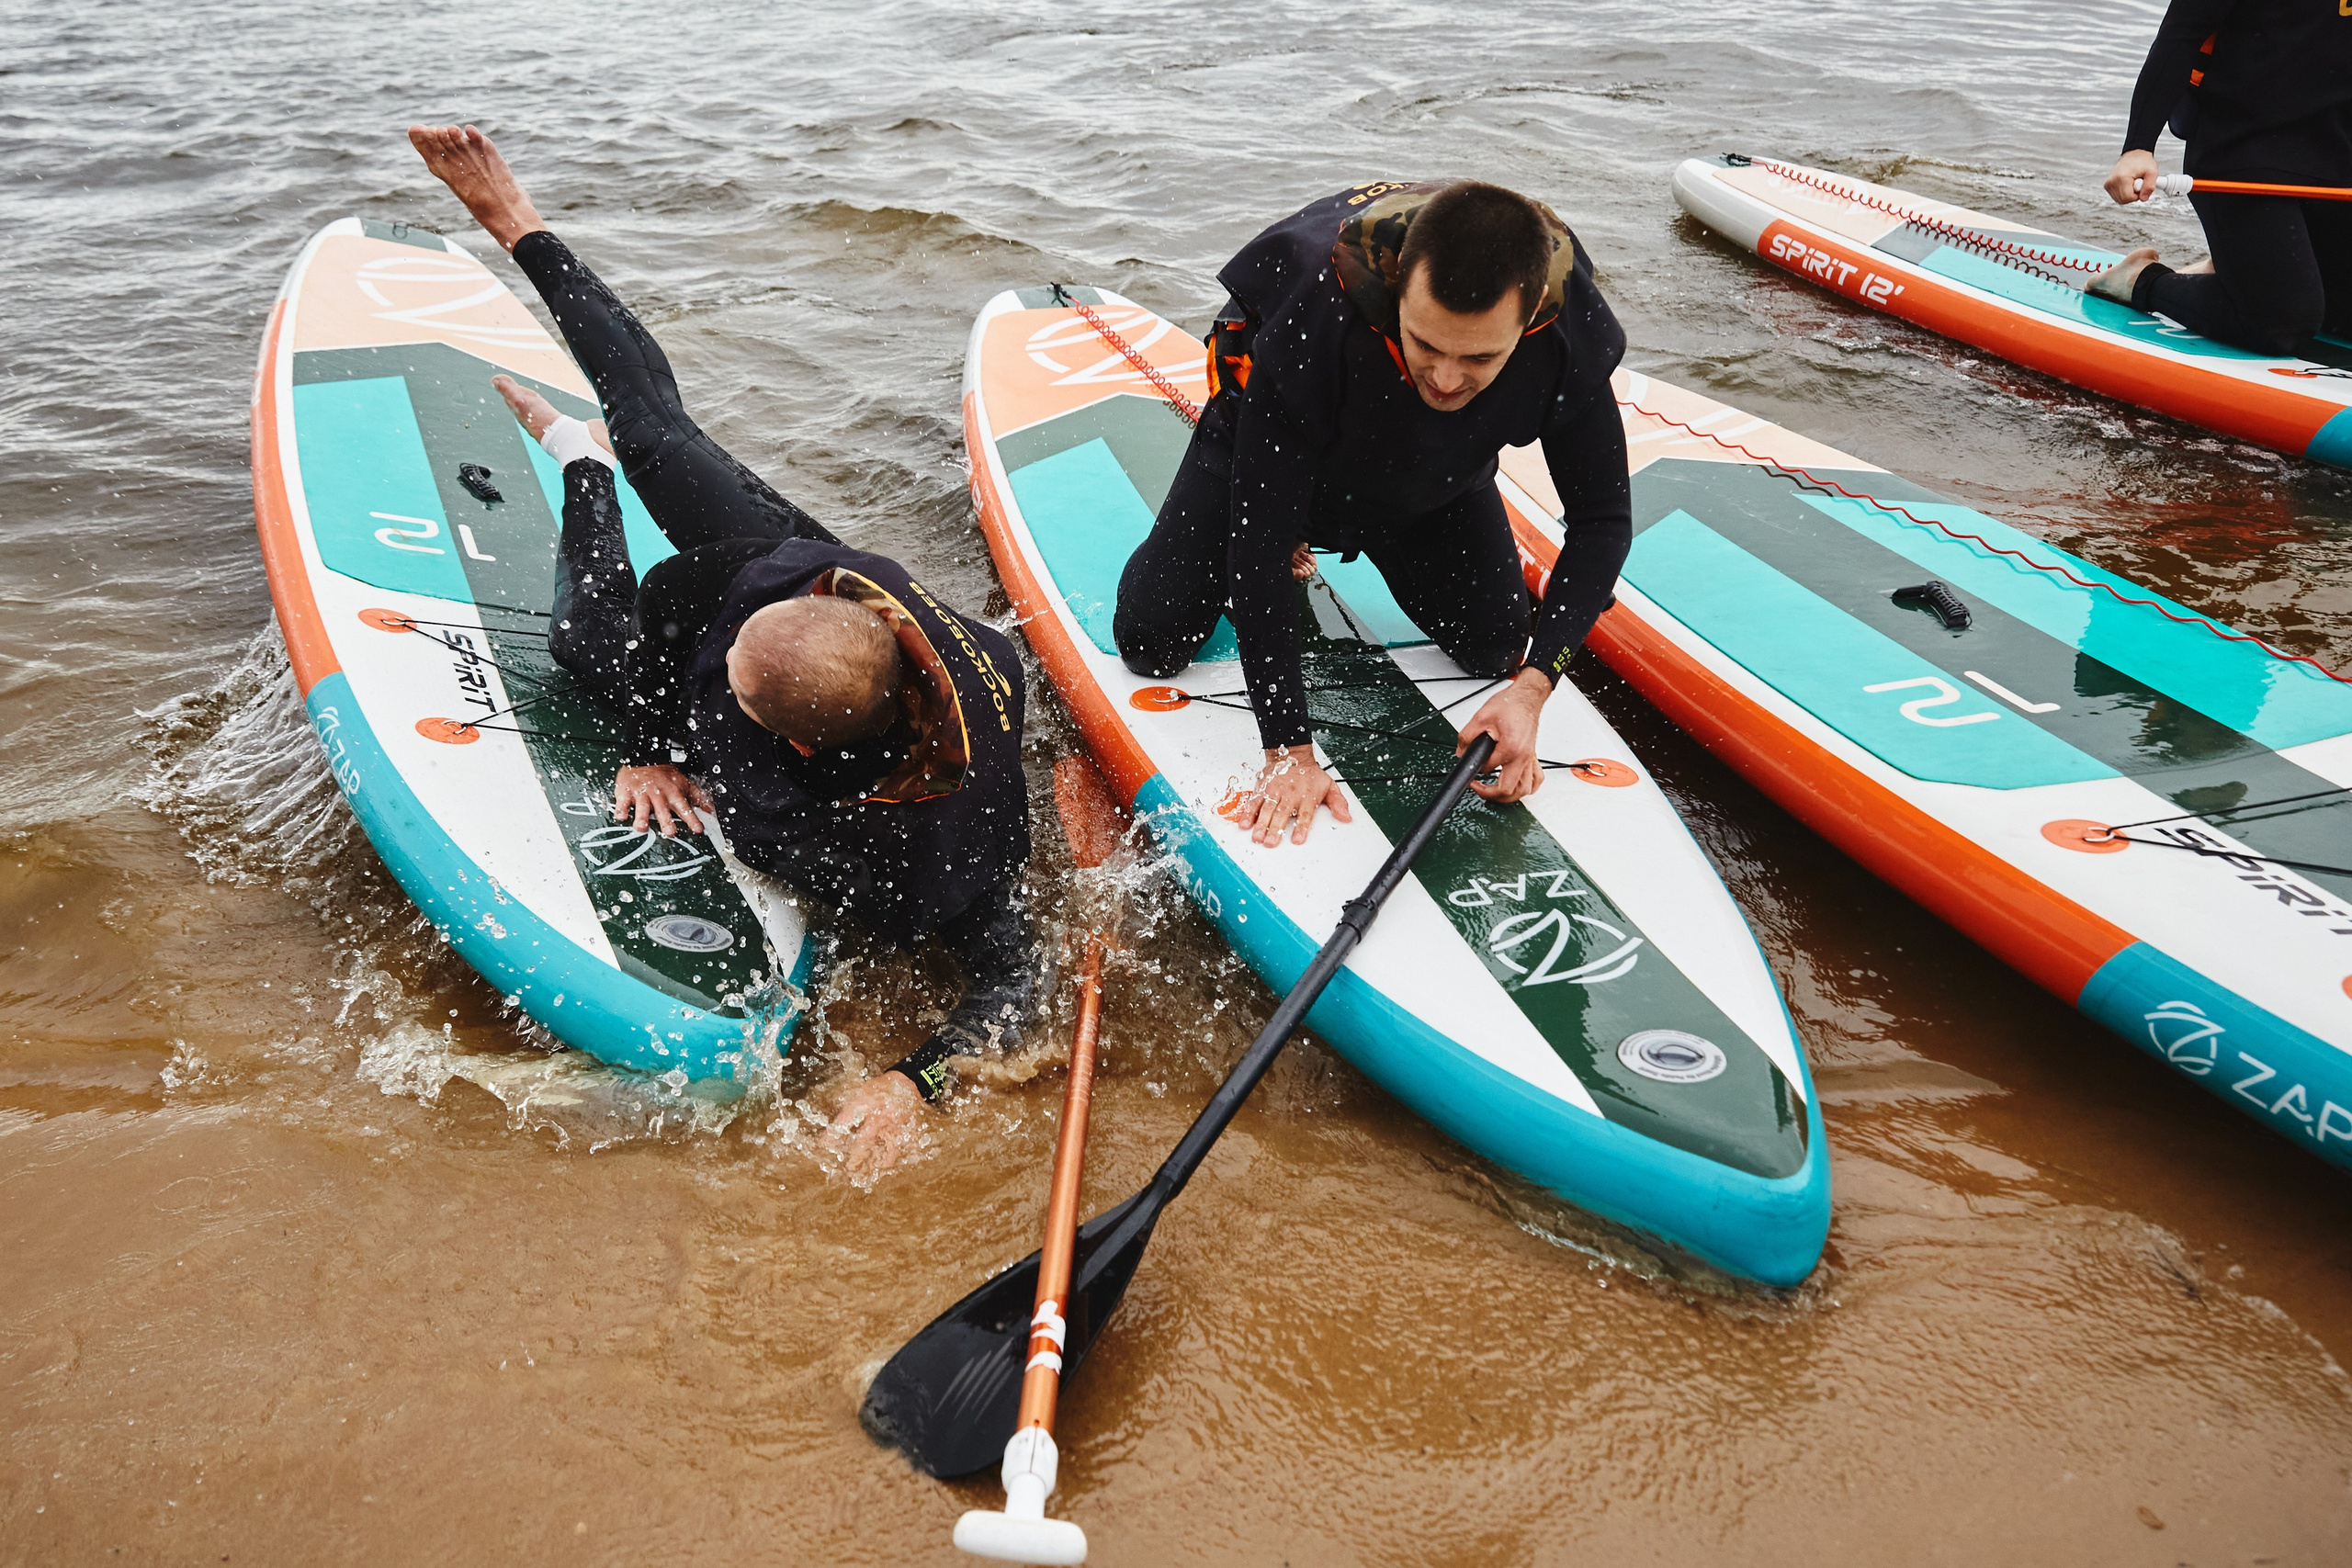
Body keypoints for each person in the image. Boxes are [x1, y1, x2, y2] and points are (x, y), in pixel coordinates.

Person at [408, 124, 1035, 1176]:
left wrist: (913, 1080)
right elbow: (732, 657)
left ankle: (577, 462)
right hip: (776, 570)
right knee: (663, 433)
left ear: (777, 744)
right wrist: (667, 726)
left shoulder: (912, 837)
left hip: (751, 641)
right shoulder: (874, 609)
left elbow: (1016, 985)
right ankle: (518, 223)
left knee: (577, 642)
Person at [1112, 180, 1631, 848]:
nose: (1445, 378)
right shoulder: (1316, 314)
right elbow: (1261, 545)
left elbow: (1603, 521)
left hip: (1431, 481)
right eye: (1425, 343)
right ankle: (1225, 531)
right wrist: (1289, 753)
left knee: (1496, 645)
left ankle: (1394, 532)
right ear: (1396, 296)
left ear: (1530, 317)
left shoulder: (1567, 331)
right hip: (1274, 455)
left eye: (1478, 357)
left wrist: (1532, 690)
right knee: (1151, 645)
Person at [2086, 0, 2352, 356]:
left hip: (2339, 159)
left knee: (2339, 317)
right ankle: (2140, 279)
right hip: (2243, 148)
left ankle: (2238, 271)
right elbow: (2181, 34)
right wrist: (2138, 146)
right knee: (2282, 322)